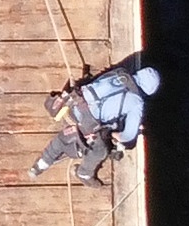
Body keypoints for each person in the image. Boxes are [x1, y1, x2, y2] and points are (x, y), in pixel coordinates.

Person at [30, 64, 160, 183]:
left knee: (66, 135)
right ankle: (84, 173)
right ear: (148, 92)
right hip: (85, 122)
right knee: (100, 150)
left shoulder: (121, 74)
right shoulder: (137, 103)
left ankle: (41, 164)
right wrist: (112, 134)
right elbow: (128, 136)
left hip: (72, 103)